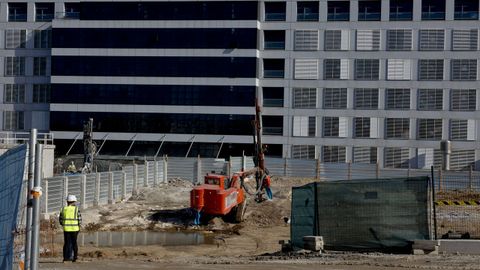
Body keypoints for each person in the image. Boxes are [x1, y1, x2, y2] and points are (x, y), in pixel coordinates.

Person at [59, 195, 82, 262]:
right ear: (74, 201)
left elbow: (60, 220)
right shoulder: (76, 209)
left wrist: (64, 225)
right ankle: (75, 258)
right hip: (75, 229)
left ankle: (65, 258)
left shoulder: (63, 209)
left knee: (66, 243)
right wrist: (79, 226)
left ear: (67, 201)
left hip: (66, 229)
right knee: (74, 243)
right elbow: (79, 220)